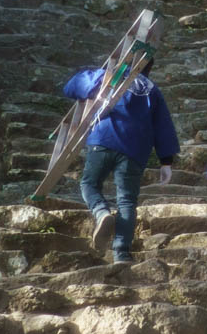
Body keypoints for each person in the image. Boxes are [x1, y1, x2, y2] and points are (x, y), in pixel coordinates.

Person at [62, 55, 180, 264]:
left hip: (104, 139)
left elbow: (72, 87)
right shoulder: (152, 89)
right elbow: (163, 126)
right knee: (127, 200)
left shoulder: (108, 77)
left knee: (89, 183)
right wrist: (166, 161)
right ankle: (122, 253)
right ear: (149, 68)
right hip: (135, 149)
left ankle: (101, 212)